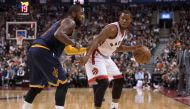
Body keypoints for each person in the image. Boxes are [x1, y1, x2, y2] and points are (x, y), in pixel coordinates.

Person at [22, 4, 85, 109]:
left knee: (36, 88)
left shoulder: (63, 24)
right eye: (81, 13)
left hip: (34, 51)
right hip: (44, 51)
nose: (83, 16)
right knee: (63, 84)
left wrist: (84, 49)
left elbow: (68, 50)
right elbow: (58, 34)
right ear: (74, 13)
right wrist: (74, 43)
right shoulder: (70, 21)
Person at [80, 10, 142, 109]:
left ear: (130, 20)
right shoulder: (112, 28)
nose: (124, 20)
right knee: (104, 82)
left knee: (119, 80)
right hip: (95, 54)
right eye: (122, 18)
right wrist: (87, 55)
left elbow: (118, 47)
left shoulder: (124, 32)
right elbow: (96, 40)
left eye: (127, 19)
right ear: (119, 18)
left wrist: (133, 48)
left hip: (106, 57)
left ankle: (114, 107)